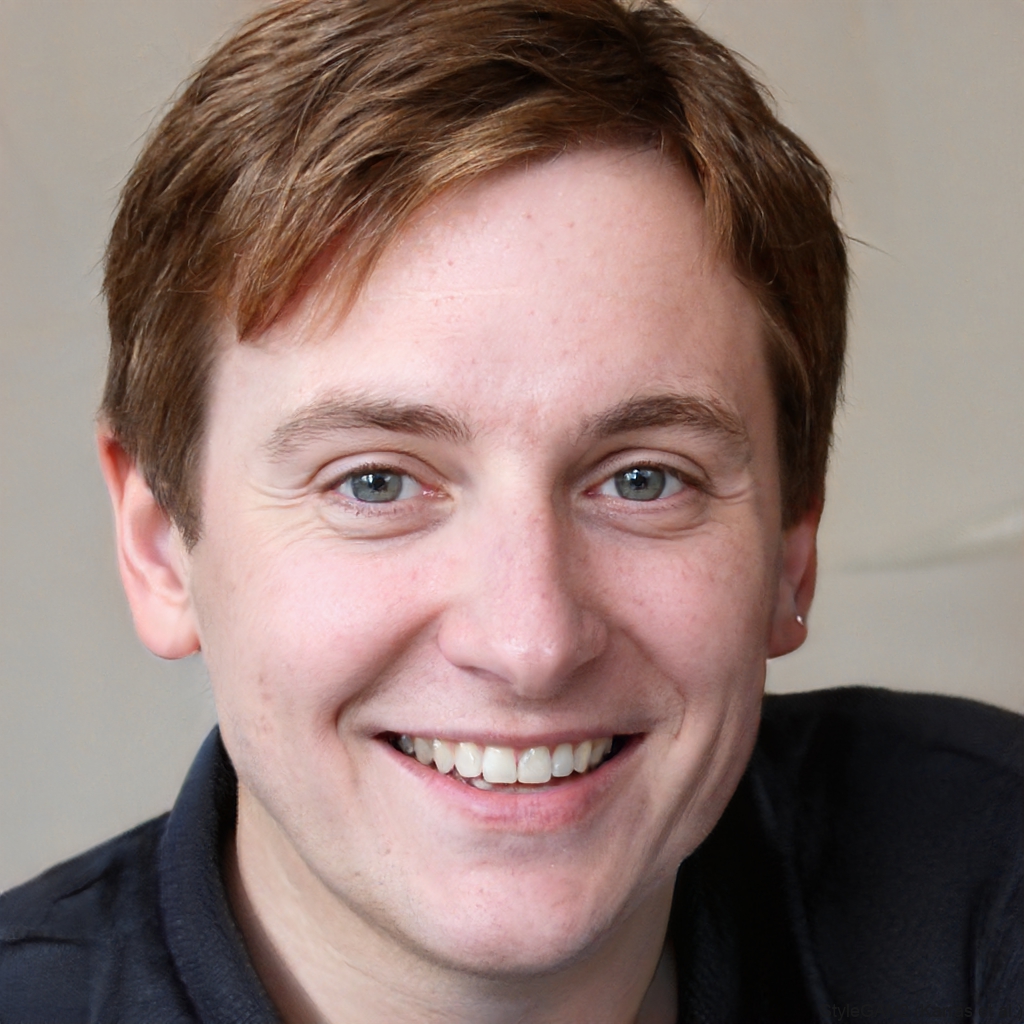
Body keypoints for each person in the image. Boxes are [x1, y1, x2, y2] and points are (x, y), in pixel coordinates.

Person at [0, 0, 1019, 1020]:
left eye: (643, 479)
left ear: (792, 548)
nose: (531, 645)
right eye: (376, 482)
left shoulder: (987, 878)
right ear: (159, 547)